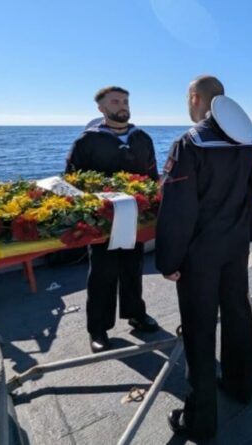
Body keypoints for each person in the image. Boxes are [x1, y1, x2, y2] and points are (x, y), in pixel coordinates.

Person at [155, 75, 252, 441]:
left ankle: (199, 421)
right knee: (237, 314)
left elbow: (178, 211)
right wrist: (246, 239)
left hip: (200, 256)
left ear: (196, 98)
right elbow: (251, 201)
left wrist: (168, 262)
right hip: (235, 248)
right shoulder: (249, 146)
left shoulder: (190, 144)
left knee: (200, 330)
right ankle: (240, 385)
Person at [65, 85, 160, 353]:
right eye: (116, 101)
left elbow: (153, 177)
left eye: (126, 100)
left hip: (136, 219)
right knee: (102, 274)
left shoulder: (142, 138)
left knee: (133, 268)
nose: (123, 105)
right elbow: (71, 182)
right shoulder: (86, 142)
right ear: (101, 108)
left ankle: (136, 314)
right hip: (102, 223)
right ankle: (98, 328)